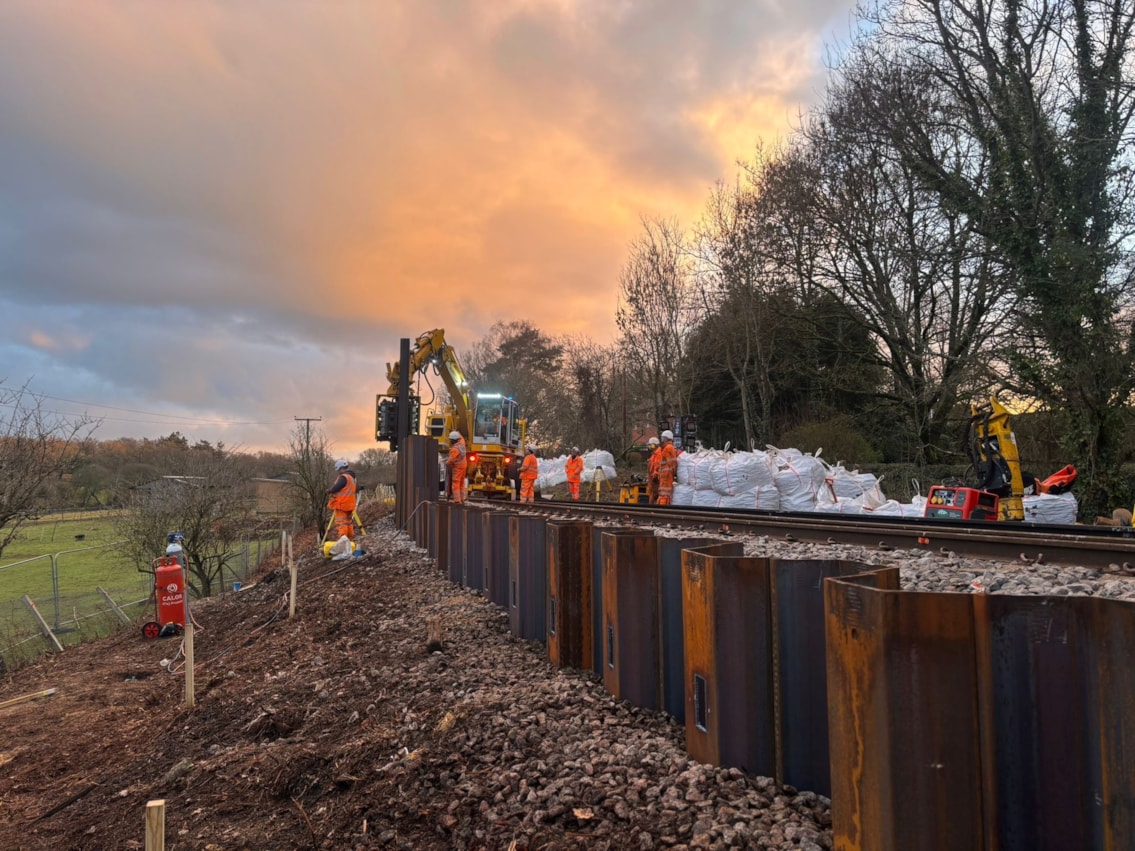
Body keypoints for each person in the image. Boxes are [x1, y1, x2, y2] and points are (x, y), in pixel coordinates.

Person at [326, 459, 358, 541]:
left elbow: (337, 487)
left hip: (342, 505)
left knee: (342, 524)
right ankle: (350, 541)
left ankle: (343, 542)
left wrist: (330, 490)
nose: (339, 472)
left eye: (339, 470)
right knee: (348, 523)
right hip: (350, 504)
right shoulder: (352, 478)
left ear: (341, 468)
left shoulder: (343, 477)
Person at [656, 430, 678, 505]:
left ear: (667, 438)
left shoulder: (668, 448)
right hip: (665, 475)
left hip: (666, 476)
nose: (662, 439)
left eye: (663, 438)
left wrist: (672, 473)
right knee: (663, 494)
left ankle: (663, 507)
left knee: (665, 494)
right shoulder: (667, 447)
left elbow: (672, 463)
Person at [446, 430, 468, 503]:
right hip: (464, 465)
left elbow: (451, 461)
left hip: (458, 467)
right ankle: (462, 498)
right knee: (461, 482)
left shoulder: (455, 449)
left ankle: (457, 500)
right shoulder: (462, 443)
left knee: (456, 483)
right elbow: (461, 437)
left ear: (453, 440)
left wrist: (447, 463)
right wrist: (457, 432)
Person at [646, 436, 661, 504]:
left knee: (654, 498)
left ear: (653, 445)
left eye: (650, 445)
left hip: (655, 482)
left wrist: (655, 478)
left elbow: (656, 467)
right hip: (652, 482)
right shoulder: (654, 454)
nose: (649, 446)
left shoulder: (658, 454)